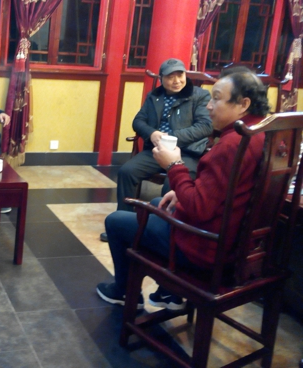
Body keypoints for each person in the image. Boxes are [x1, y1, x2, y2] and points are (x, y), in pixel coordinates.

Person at [96, 67, 269, 310]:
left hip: (206, 250)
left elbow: (199, 208)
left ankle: (124, 292)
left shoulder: (232, 144)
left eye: (217, 98)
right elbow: (223, 190)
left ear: (244, 104)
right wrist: (184, 189)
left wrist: (174, 165)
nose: (210, 105)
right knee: (158, 203)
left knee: (116, 221)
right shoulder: (263, 133)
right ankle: (169, 293)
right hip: (237, 244)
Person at [101, 58, 213, 242]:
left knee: (172, 182)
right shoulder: (154, 96)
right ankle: (124, 221)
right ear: (161, 79)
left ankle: (162, 229)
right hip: (157, 150)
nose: (177, 81)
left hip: (186, 152)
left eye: (180, 75)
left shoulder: (199, 95)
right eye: (170, 77)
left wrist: (173, 137)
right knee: (127, 171)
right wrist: (152, 133)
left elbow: (205, 126)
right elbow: (138, 121)